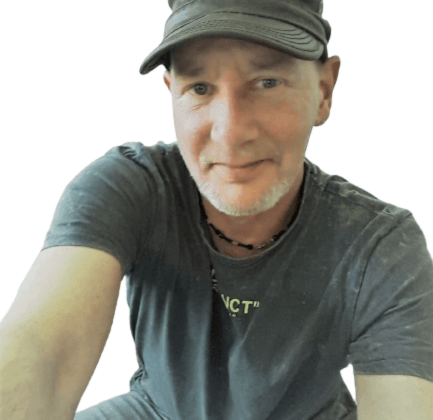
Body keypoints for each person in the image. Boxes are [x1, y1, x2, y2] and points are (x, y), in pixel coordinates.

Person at [0, 0, 432, 419]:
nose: (230, 132)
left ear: (324, 90)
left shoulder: (378, 245)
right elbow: (42, 352)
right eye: (200, 88)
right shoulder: (130, 188)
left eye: (267, 82)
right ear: (172, 93)